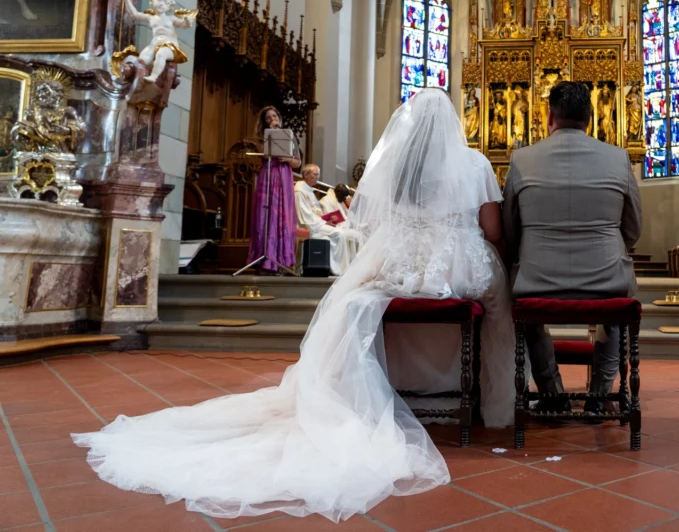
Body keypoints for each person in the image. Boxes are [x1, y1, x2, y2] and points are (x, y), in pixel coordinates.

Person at [72, 88, 517, 522]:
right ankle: (492, 402)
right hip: (457, 266)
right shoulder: (475, 163)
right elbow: (493, 230)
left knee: (360, 298)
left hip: (398, 264)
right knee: (498, 301)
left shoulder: (399, 167)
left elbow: (375, 223)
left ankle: (387, 392)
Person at [502, 80, 642, 414]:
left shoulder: (521, 159)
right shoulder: (618, 158)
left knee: (526, 317)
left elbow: (509, 231)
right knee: (614, 317)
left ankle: (553, 395)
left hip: (537, 282)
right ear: (590, 119)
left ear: (549, 117)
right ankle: (598, 398)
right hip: (606, 281)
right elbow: (634, 229)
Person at [247, 106, 301, 274]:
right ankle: (265, 260)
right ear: (264, 122)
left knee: (283, 215)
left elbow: (298, 163)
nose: (272, 119)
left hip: (284, 176)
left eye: (275, 116)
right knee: (267, 215)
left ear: (279, 117)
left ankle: (282, 261)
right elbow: (264, 155)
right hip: (269, 175)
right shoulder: (261, 138)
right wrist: (272, 133)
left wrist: (289, 159)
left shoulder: (289, 136)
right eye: (268, 118)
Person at [294, 164, 361, 276]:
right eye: (315, 174)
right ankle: (338, 269)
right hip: (309, 226)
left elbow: (316, 213)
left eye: (318, 175)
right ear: (306, 175)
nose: (318, 177)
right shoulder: (299, 191)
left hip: (317, 223)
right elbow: (305, 217)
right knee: (340, 234)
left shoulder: (309, 191)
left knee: (342, 232)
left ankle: (344, 266)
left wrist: (326, 220)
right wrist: (324, 222)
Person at [320, 182, 362, 266]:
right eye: (344, 197)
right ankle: (346, 264)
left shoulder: (339, 201)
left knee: (358, 235)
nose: (344, 199)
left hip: (342, 227)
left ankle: (355, 263)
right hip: (333, 227)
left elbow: (347, 218)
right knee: (354, 235)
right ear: (338, 193)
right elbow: (328, 218)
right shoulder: (326, 200)